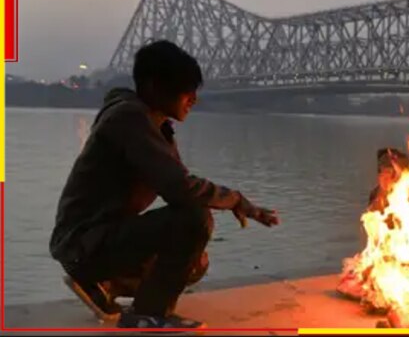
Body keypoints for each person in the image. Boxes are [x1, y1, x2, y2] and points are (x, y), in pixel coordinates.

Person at [49, 40, 280, 329]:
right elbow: (180, 188)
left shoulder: (154, 125)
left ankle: (104, 284)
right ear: (154, 86)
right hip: (83, 243)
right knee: (194, 219)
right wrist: (234, 199)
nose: (193, 99)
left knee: (196, 260)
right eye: (186, 89)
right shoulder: (129, 119)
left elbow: (178, 184)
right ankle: (148, 313)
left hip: (89, 241)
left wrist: (232, 202)